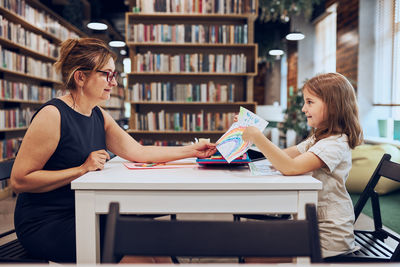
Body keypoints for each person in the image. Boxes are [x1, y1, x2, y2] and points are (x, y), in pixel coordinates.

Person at [10, 37, 217, 263]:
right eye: (107, 75)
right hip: (46, 223)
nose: (114, 82)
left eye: (114, 75)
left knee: (156, 239)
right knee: (140, 254)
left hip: (85, 212)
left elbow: (140, 153)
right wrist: (81, 169)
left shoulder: (98, 115)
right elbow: (20, 181)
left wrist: (193, 150)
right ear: (81, 77)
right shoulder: (53, 115)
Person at [241, 72, 363, 258]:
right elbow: (283, 156)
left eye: (310, 102)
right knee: (254, 242)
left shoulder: (335, 144)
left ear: (333, 105)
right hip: (312, 224)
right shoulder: (319, 138)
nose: (304, 109)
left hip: (328, 236)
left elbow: (290, 167)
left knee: (256, 253)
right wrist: (248, 144)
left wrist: (258, 137)